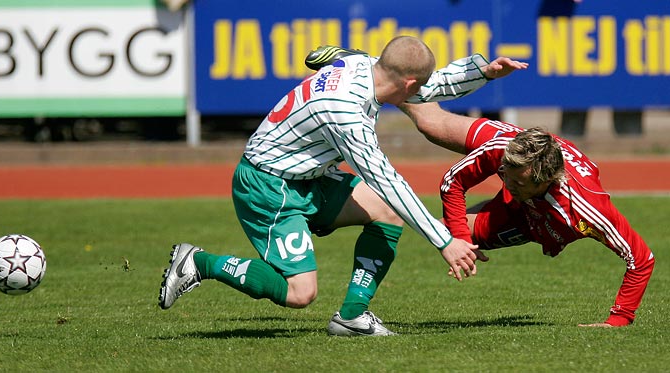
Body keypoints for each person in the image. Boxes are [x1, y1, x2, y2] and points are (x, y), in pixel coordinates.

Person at [158, 36, 528, 336]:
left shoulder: (363, 65)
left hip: (310, 177)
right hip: (268, 186)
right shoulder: (346, 112)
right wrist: (444, 241)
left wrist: (483, 70)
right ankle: (198, 262)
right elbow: (387, 178)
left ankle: (352, 317)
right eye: (417, 87)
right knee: (300, 294)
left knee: (387, 212)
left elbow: (423, 83)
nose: (419, 96)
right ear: (407, 83)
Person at [399, 102, 655, 327]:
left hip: (527, 221)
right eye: (505, 176)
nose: (508, 185)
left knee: (438, 230)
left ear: (547, 180)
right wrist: (461, 238)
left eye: (519, 183)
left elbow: (641, 259)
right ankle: (389, 82)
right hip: (513, 155)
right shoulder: (504, 148)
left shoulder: (588, 211)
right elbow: (452, 182)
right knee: (429, 123)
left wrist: (618, 319)